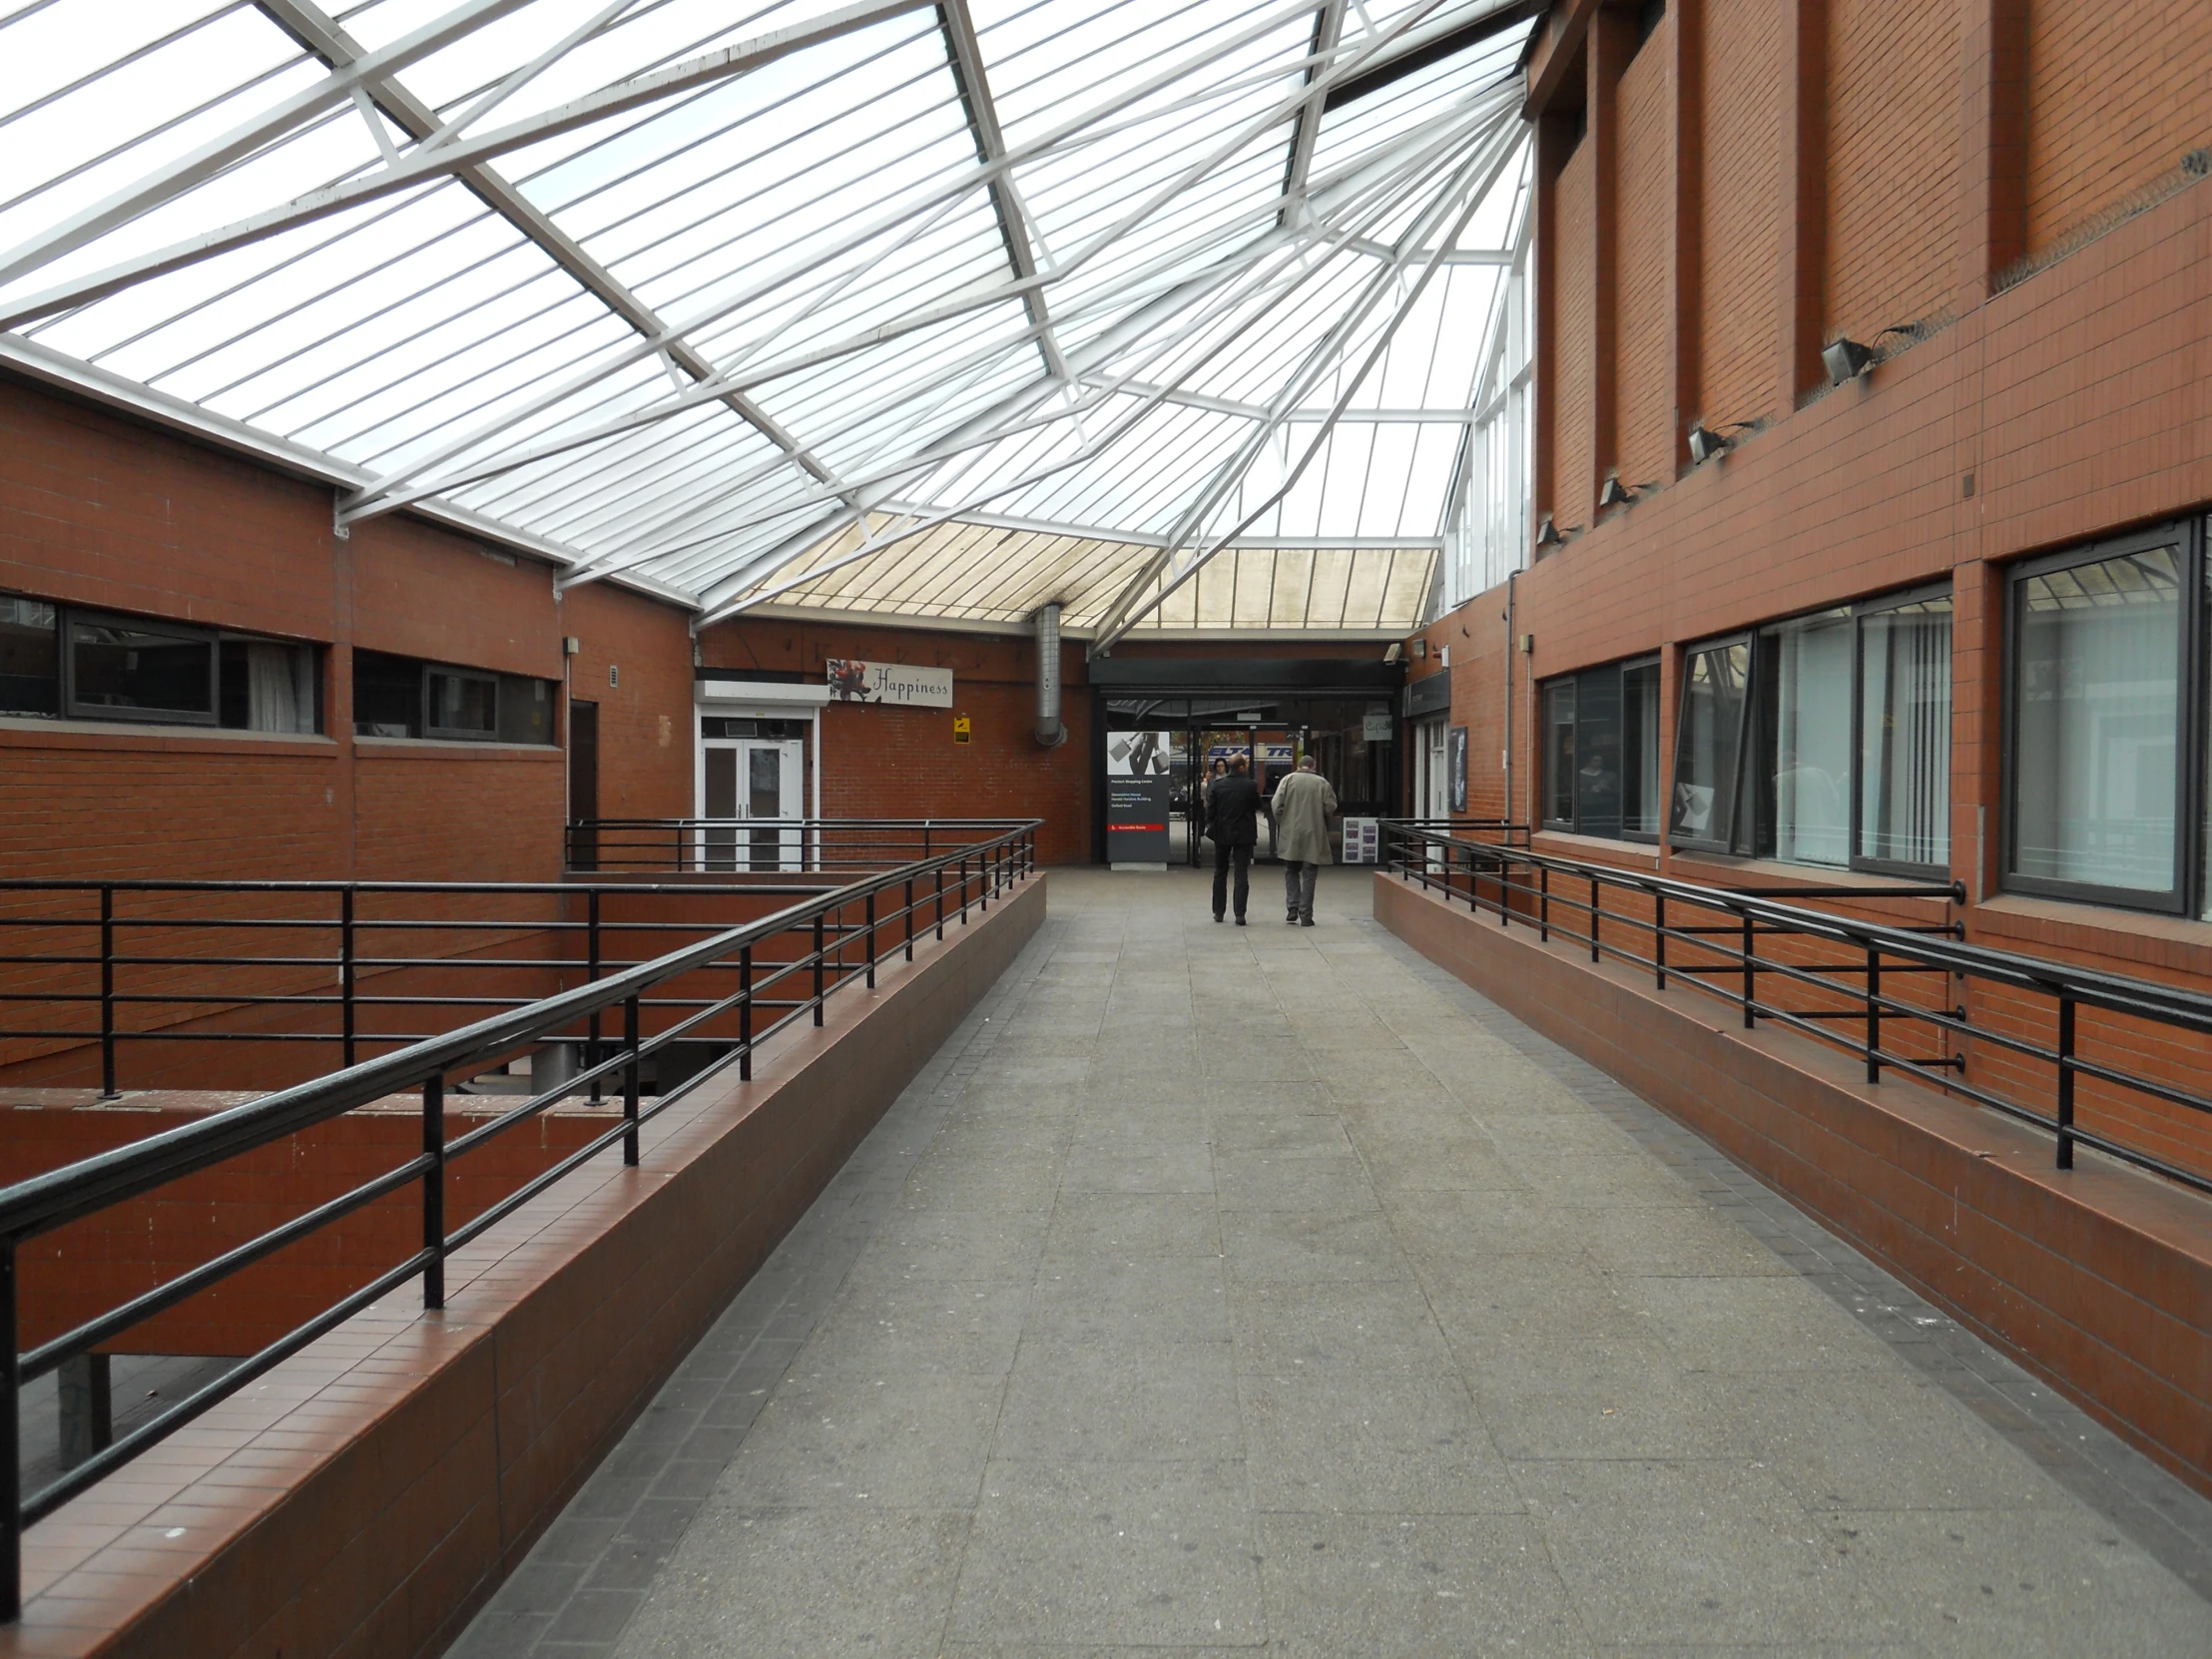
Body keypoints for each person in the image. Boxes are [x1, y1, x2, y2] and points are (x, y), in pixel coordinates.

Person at [1271, 755, 1338, 926]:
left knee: (1291, 870)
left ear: (1299, 766)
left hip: (1291, 832)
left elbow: (1276, 804)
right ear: (1313, 765)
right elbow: (1330, 807)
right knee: (1309, 875)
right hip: (1313, 833)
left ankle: (1292, 907)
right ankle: (1306, 914)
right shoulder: (1322, 783)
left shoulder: (1287, 780)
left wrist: (1283, 822)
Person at [1205, 755, 1262, 924]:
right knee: (1241, 872)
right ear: (1242, 767)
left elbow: (1210, 811)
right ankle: (1239, 914)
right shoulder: (1250, 785)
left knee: (1220, 872)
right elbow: (1258, 806)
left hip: (1222, 833)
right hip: (1244, 834)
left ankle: (1218, 912)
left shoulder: (1218, 785)